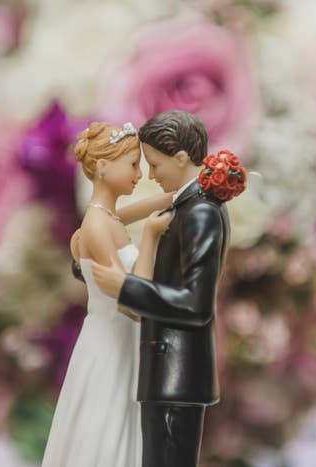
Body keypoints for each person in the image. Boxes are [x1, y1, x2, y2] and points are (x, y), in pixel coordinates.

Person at [91, 110, 231, 467]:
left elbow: (197, 305)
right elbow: (114, 218)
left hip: (176, 374)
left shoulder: (199, 212)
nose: (151, 175)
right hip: (168, 373)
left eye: (155, 164)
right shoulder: (186, 203)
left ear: (181, 158)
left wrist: (127, 288)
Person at [41, 121, 173, 467]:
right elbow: (131, 298)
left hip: (123, 341)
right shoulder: (97, 226)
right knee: (105, 427)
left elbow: (147, 207)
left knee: (123, 425)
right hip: (112, 340)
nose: (140, 172)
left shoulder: (108, 218)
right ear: (102, 168)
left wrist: (187, 191)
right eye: (132, 164)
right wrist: (150, 238)